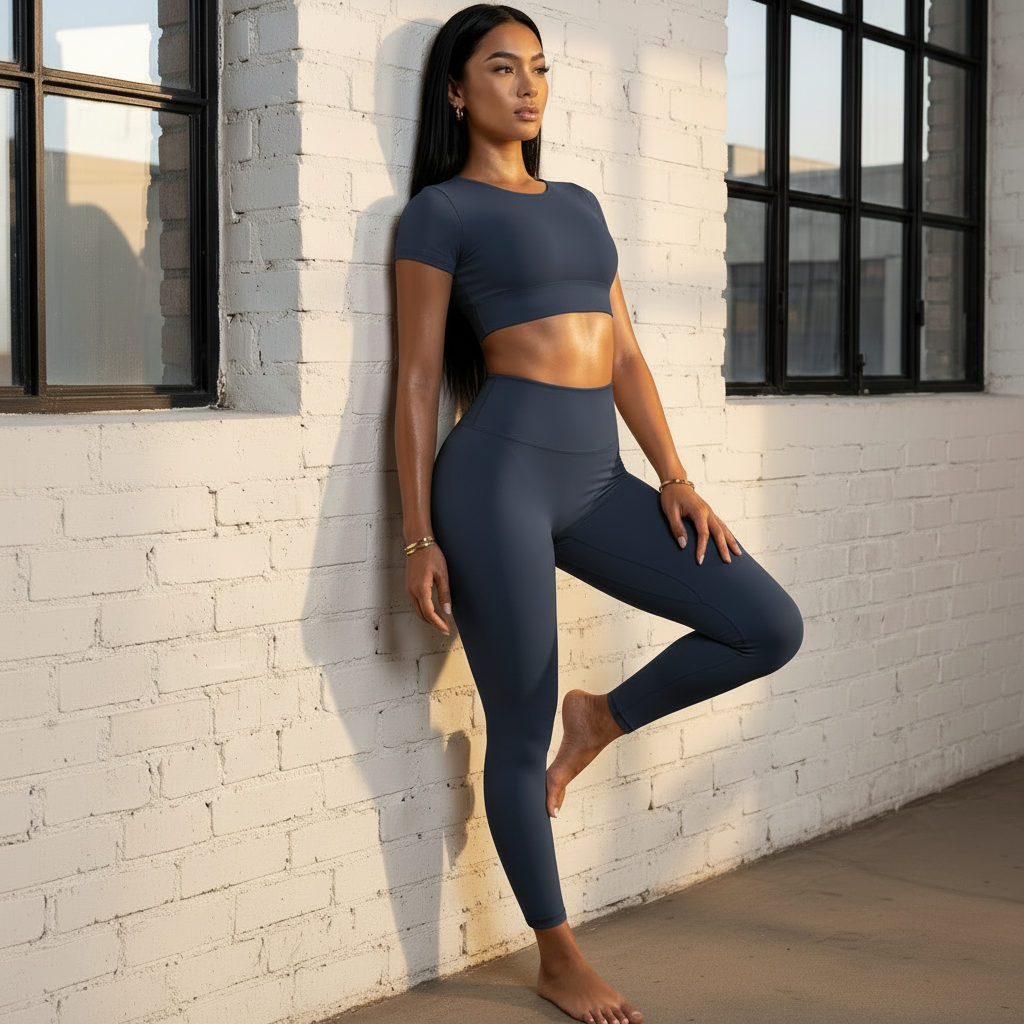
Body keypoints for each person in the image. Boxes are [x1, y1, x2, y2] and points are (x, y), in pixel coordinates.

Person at [392, 6, 803, 1022]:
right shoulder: (439, 214)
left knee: (765, 624)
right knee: (516, 725)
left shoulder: (578, 203)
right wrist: (417, 533)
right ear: (457, 92)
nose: (526, 87)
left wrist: (672, 473)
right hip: (493, 483)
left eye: (538, 68)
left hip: (594, 475)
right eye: (500, 68)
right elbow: (411, 382)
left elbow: (622, 353)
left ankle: (602, 717)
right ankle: (558, 951)